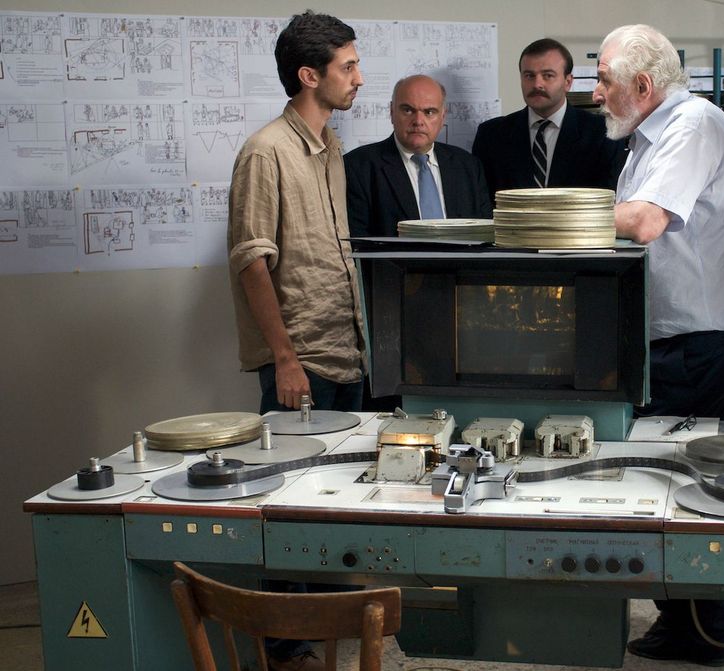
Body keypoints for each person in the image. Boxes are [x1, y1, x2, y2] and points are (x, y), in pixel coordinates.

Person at [593, 24, 724, 668]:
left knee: (681, 483)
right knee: (667, 477)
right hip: (673, 335)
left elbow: (642, 222)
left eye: (604, 80)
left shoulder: (694, 126)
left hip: (697, 340)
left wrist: (548, 213)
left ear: (642, 85)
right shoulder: (650, 134)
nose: (596, 92)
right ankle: (691, 622)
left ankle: (704, 630)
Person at [227, 10, 366, 670]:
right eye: (348, 66)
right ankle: (285, 645)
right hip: (301, 361)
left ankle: (327, 626)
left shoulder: (330, 145)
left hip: (345, 351)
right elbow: (254, 260)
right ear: (310, 75)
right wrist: (284, 358)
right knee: (284, 506)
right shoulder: (266, 151)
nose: (358, 78)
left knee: (336, 502)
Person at [471, 38, 626, 195]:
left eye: (548, 75)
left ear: (568, 82)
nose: (537, 84)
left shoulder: (603, 133)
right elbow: (482, 202)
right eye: (529, 76)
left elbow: (610, 199)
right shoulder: (491, 135)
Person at [344, 75, 493, 237]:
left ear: (443, 117)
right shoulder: (359, 167)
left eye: (429, 112)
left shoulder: (468, 166)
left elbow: (485, 235)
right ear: (392, 112)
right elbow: (357, 243)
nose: (418, 121)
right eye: (408, 110)